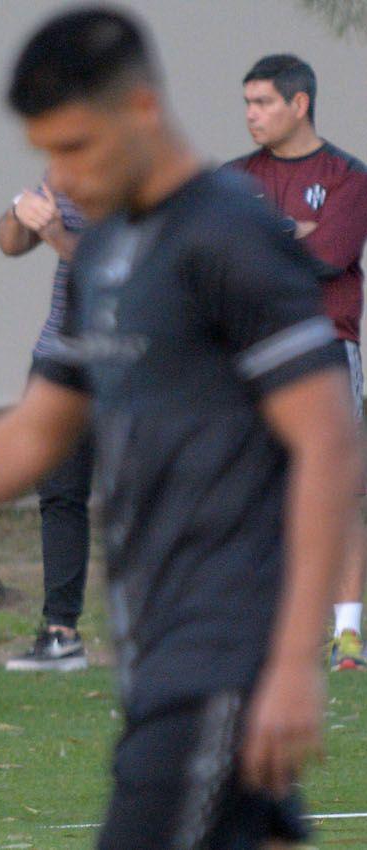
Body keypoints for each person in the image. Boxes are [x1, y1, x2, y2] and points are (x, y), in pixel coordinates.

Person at [0, 9, 357, 848]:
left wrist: (300, 663)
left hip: (225, 658)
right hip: (158, 652)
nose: (61, 176)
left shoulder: (234, 236)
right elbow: (33, 435)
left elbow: (328, 444)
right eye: (47, 151)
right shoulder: (109, 249)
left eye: (78, 146)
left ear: (143, 112)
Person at [225, 54, 367, 672]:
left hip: (326, 346)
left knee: (337, 488)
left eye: (263, 103)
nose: (251, 114)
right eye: (248, 103)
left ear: (300, 104)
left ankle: (349, 635)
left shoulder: (347, 176)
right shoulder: (232, 178)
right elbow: (223, 263)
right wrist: (292, 232)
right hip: (251, 350)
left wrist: (268, 239)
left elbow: (328, 258)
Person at [0, 182, 91, 671]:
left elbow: (113, 269)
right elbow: (10, 244)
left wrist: (56, 234)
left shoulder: (140, 182)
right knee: (59, 494)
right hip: (58, 359)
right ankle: (61, 633)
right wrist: (19, 210)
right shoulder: (64, 174)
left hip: (128, 360)